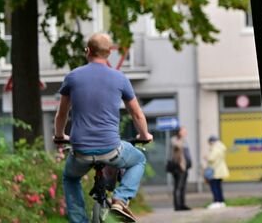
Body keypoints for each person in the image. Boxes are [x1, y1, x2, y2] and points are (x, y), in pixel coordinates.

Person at [54, 33, 153, 222]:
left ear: (87, 51)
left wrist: (60, 136)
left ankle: (78, 220)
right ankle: (120, 200)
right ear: (109, 53)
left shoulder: (72, 77)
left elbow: (62, 114)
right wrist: (144, 134)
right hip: (112, 150)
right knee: (138, 159)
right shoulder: (120, 78)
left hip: (80, 151)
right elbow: (137, 114)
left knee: (70, 178)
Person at [168, 126, 192, 211]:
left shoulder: (184, 140)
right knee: (178, 186)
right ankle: (177, 206)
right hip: (178, 167)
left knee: (183, 187)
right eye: (183, 131)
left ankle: (182, 204)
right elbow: (177, 146)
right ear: (179, 132)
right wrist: (181, 138)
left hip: (185, 167)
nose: (185, 132)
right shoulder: (175, 139)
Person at [204, 135, 229, 209]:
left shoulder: (215, 148)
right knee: (218, 186)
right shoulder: (221, 147)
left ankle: (216, 201)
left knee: (214, 186)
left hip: (215, 170)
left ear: (212, 142)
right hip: (220, 170)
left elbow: (211, 158)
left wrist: (206, 157)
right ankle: (221, 201)